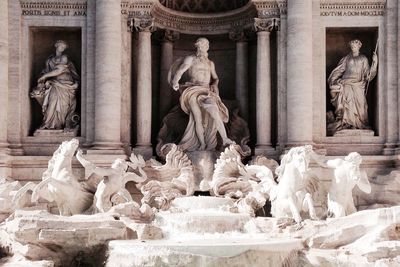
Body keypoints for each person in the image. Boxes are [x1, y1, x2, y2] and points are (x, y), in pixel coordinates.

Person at [169, 37, 234, 151]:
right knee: (197, 118)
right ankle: (202, 144)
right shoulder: (191, 59)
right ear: (198, 46)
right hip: (193, 89)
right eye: (204, 45)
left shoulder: (210, 63)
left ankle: (225, 139)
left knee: (214, 110)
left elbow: (216, 78)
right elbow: (180, 70)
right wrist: (175, 81)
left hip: (206, 90)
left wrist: (215, 85)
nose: (206, 47)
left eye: (207, 45)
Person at [327, 39, 378, 135]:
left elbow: (368, 75)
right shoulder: (347, 58)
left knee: (360, 104)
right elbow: (339, 70)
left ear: (359, 47)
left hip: (358, 85)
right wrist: (333, 80)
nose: (353, 48)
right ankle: (347, 124)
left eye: (354, 46)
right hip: (346, 83)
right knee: (347, 104)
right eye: (352, 46)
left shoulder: (363, 59)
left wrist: (374, 64)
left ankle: (359, 124)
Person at [33, 40, 79, 130]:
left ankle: (59, 126)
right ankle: (48, 124)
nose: (62, 48)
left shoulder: (64, 57)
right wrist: (42, 79)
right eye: (61, 46)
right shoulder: (49, 60)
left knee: (63, 106)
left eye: (64, 47)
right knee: (52, 103)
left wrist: (45, 76)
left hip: (66, 85)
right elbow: (46, 71)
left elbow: (59, 70)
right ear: (56, 45)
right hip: (54, 84)